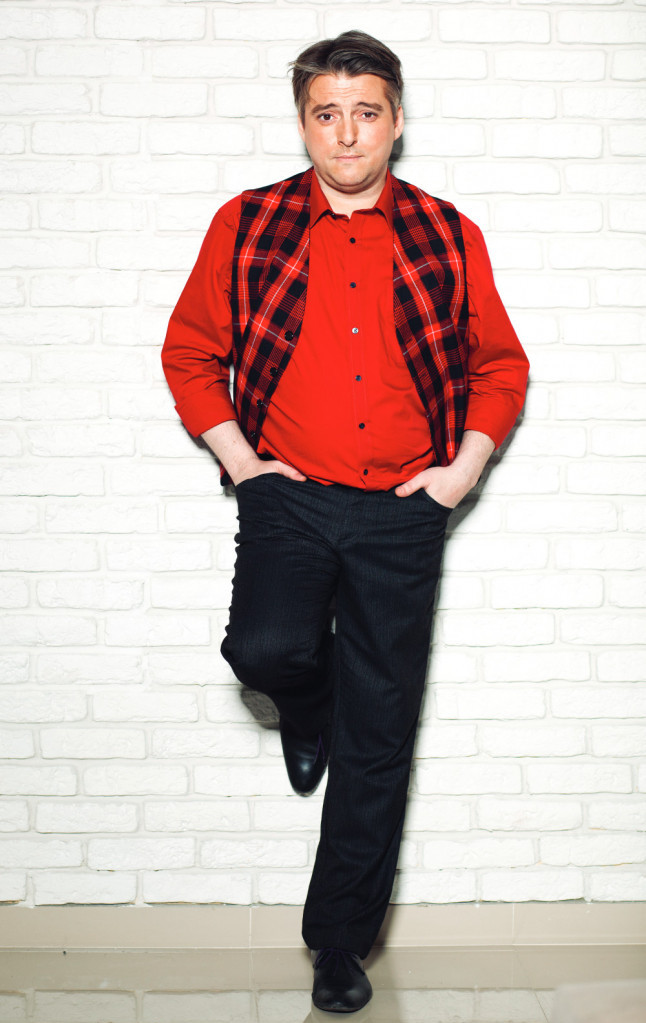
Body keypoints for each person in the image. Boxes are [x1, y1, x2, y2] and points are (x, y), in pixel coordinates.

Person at [162, 30, 529, 1015]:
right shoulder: (248, 224)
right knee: (264, 648)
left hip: (405, 508)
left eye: (366, 112)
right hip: (290, 493)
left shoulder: (447, 233)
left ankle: (338, 941)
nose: (347, 132)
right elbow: (189, 353)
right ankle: (308, 697)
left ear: (396, 121)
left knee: (380, 732)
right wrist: (245, 465)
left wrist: (460, 472)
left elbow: (500, 366)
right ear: (304, 124)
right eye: (327, 114)